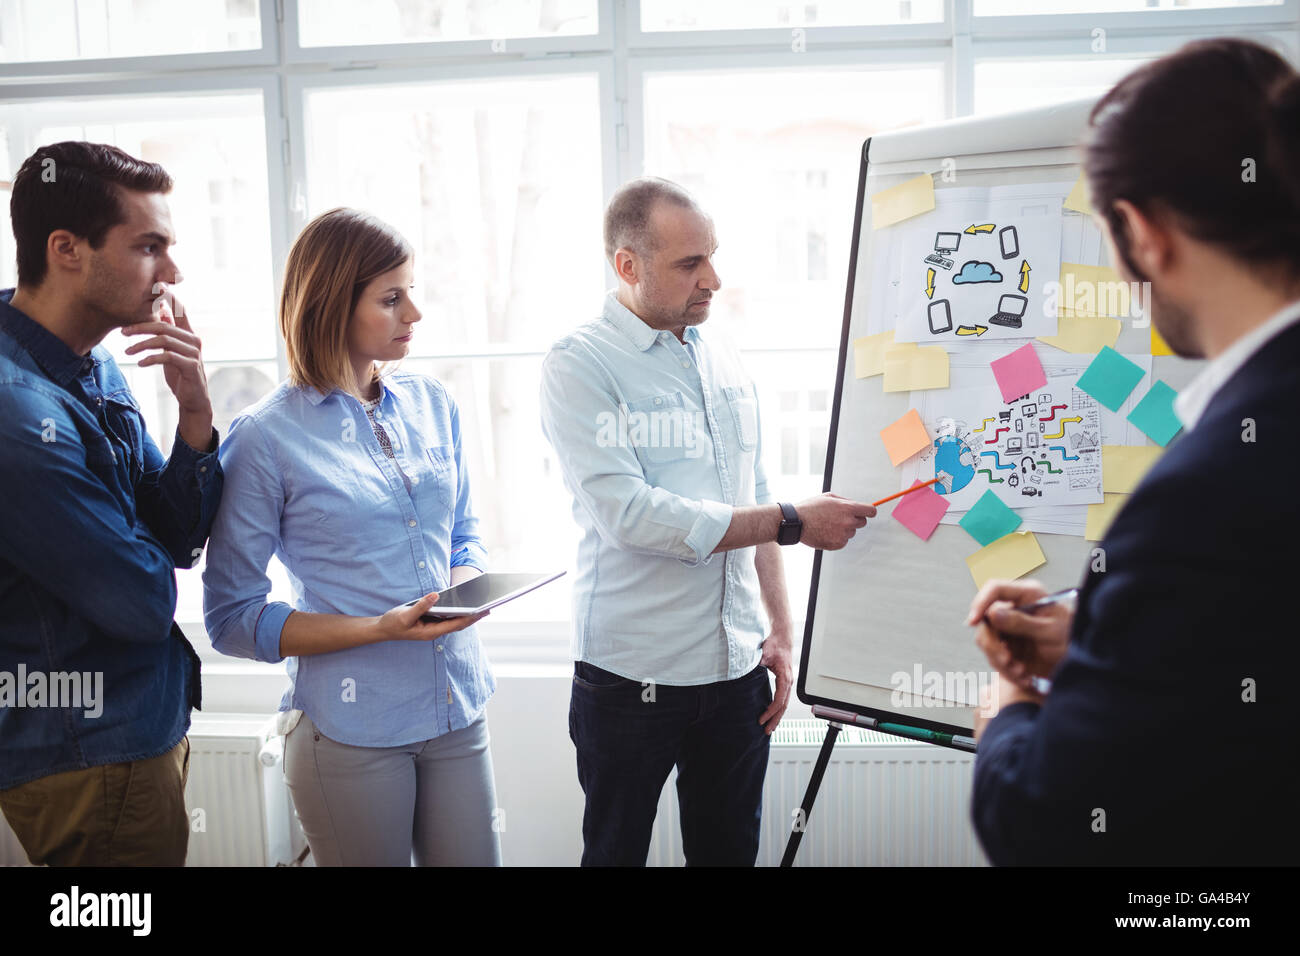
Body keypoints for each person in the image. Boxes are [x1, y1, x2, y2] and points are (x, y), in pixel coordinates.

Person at [966, 38, 1300, 866]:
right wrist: (1098, 637)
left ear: (1142, 232)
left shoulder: (1199, 498)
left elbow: (1048, 823)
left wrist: (1009, 706)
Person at [540, 177, 876, 866]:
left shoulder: (719, 352)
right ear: (628, 267)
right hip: (632, 678)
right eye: (690, 263)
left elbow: (750, 492)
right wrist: (790, 520)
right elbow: (632, 517)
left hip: (735, 672)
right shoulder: (579, 365)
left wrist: (782, 632)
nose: (713, 279)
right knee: (614, 855)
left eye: (712, 256)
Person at [202, 208, 501, 866]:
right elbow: (232, 617)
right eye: (391, 298)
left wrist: (463, 584)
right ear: (332, 303)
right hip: (352, 729)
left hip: (457, 704)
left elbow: (464, 535)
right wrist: (379, 628)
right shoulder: (265, 437)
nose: (414, 314)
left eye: (412, 291)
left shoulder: (433, 404)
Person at [0, 141, 222, 865]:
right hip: (88, 752)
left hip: (133, 731)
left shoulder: (89, 356)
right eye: (149, 246)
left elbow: (175, 533)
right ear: (67, 249)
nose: (174, 273)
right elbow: (144, 599)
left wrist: (193, 415)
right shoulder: (14, 409)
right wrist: (154, 552)